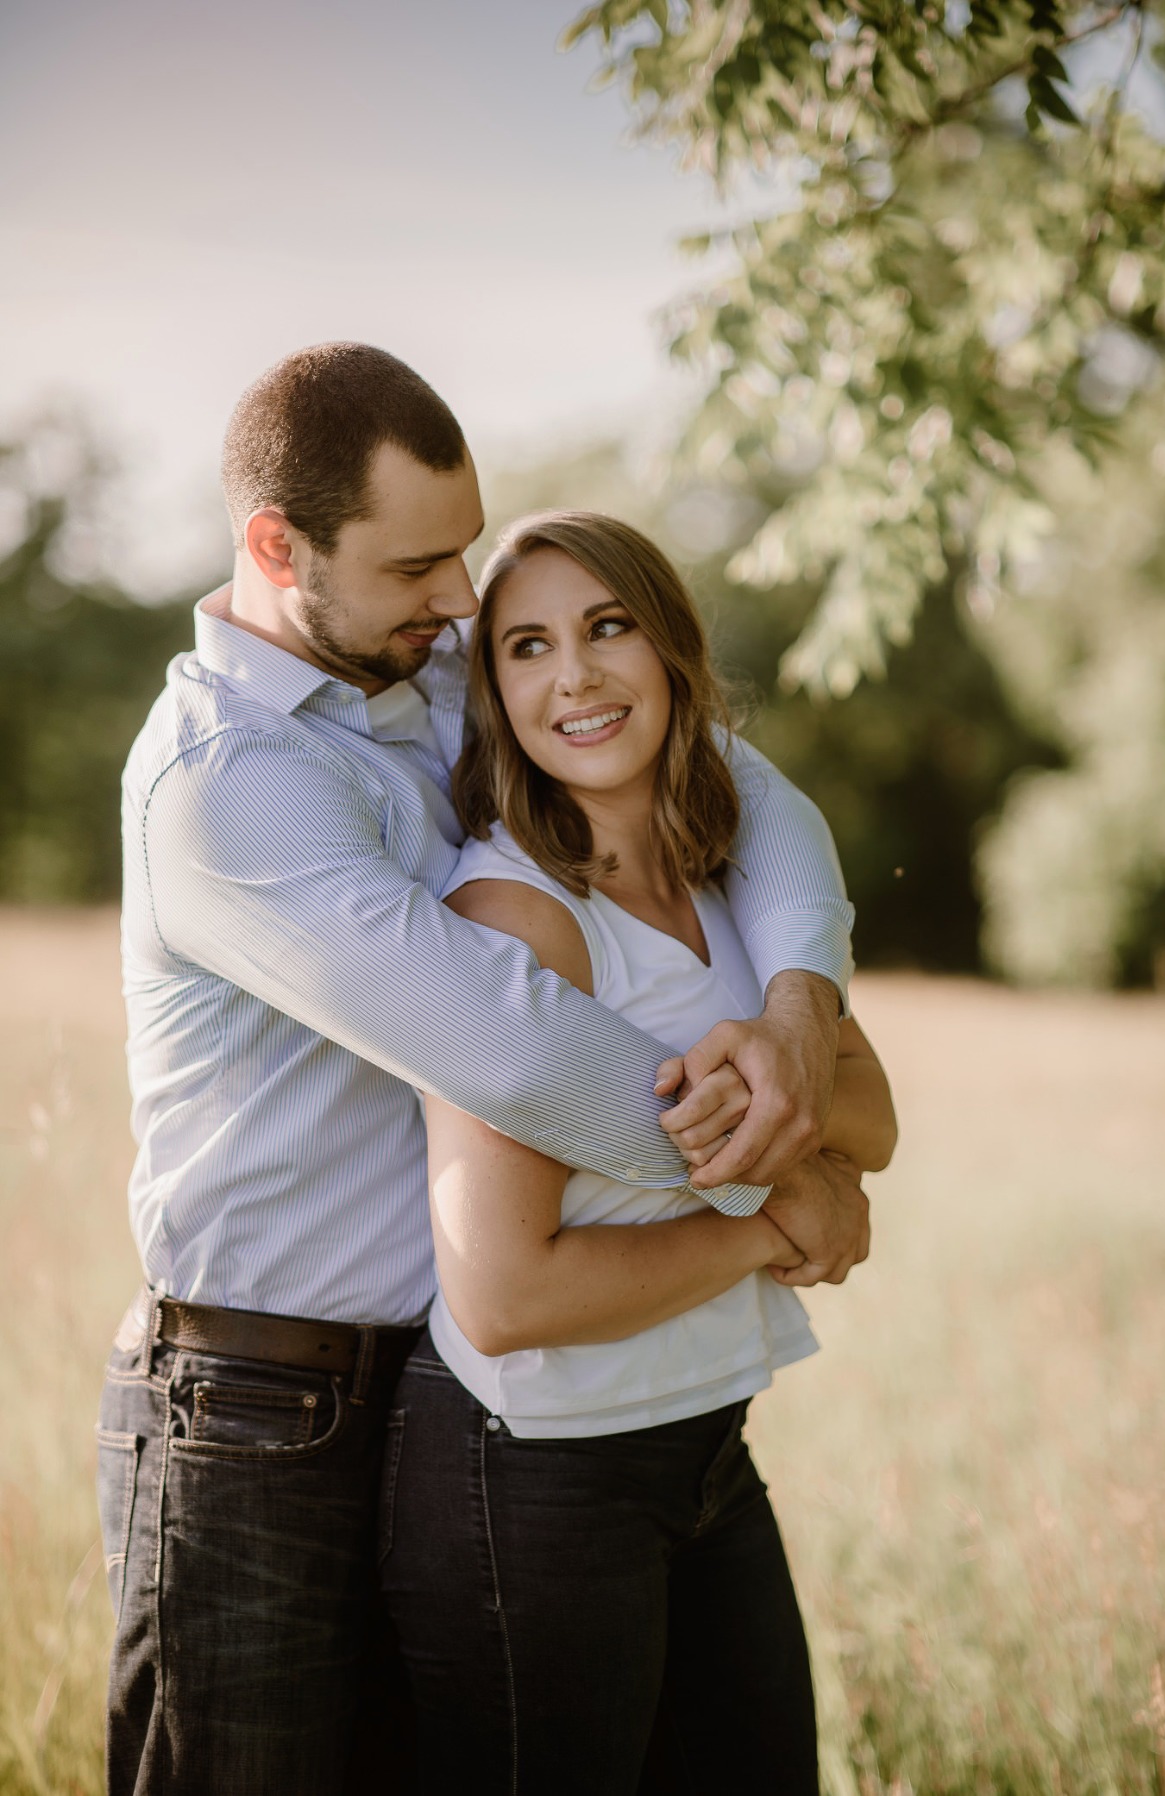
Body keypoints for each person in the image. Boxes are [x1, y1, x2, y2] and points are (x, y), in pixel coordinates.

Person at [97, 344, 859, 1796]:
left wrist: (797, 1016)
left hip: (445, 1408)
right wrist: (783, 1167)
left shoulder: (437, 674)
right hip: (251, 1416)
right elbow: (510, 1047)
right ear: (279, 548)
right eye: (419, 566)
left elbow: (752, 792)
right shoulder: (227, 784)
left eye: (465, 554)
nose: (462, 598)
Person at [380, 511, 897, 1795]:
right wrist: (772, 1223)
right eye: (528, 646)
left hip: (707, 1448)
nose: (577, 677)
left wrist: (792, 1067)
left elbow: (877, 1114)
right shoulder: (516, 916)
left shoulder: (723, 881)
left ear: (670, 650)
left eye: (608, 627)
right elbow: (506, 1293)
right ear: (494, 690)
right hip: (539, 1479)